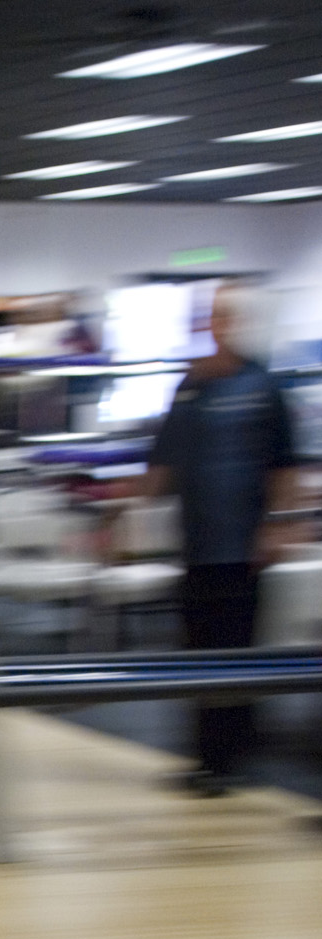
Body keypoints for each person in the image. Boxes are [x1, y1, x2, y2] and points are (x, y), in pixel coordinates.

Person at [138, 285, 306, 796]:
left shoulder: (263, 388)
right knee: (196, 655)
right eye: (207, 316)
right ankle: (206, 757)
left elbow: (284, 466)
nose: (212, 324)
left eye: (219, 316)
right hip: (197, 547)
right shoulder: (190, 388)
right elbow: (162, 466)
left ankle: (231, 760)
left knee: (236, 653)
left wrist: (277, 526)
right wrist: (122, 512)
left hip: (243, 552)